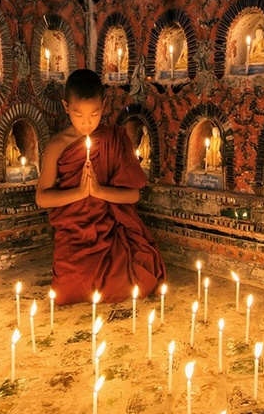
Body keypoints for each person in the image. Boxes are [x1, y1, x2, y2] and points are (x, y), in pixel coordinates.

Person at [35, 69, 166, 305]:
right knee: (68, 290)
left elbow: (133, 195)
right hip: (74, 234)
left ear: (104, 106)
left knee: (140, 279)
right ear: (66, 107)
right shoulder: (56, 146)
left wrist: (99, 192)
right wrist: (79, 193)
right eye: (78, 115)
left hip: (108, 231)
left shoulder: (114, 139)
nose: (87, 123)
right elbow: (42, 198)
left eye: (94, 114)